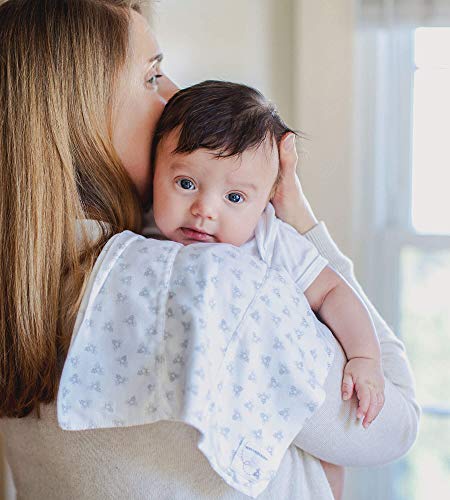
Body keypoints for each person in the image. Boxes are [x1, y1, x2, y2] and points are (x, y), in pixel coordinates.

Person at [0, 1, 419, 500]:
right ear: (82, 110)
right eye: (152, 76)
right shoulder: (217, 284)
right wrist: (298, 218)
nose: (175, 93)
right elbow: (396, 421)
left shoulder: (19, 281)